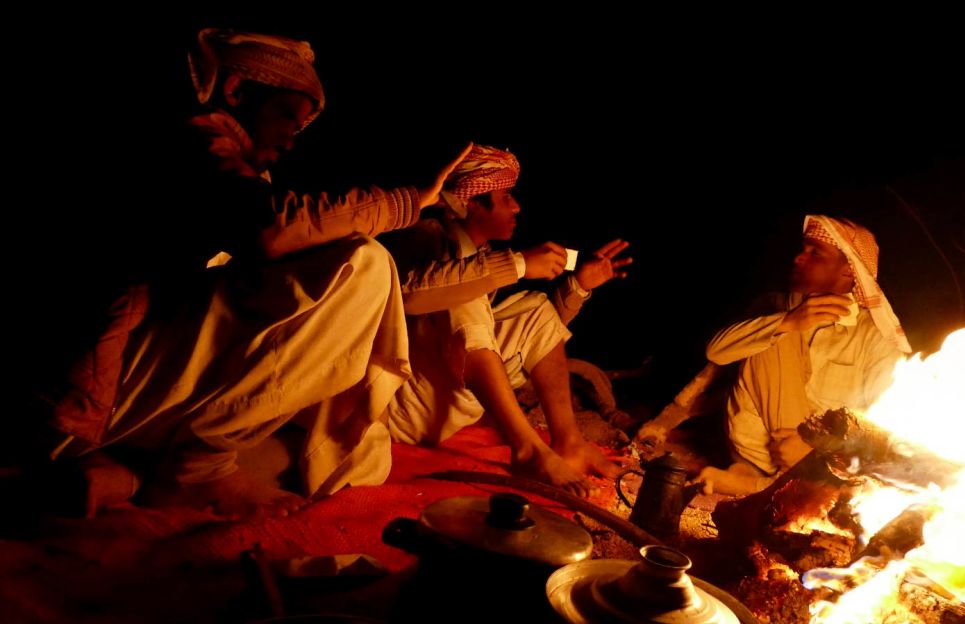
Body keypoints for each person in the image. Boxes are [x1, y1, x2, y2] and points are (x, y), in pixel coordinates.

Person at [43, 28, 471, 519]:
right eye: (289, 116)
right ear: (237, 92)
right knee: (363, 266)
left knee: (344, 456)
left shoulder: (243, 169)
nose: (293, 138)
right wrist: (408, 201)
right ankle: (191, 468)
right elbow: (267, 230)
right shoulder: (192, 141)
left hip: (138, 377)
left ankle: (137, 476)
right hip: (91, 388)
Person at [381, 145, 630, 496]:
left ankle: (569, 442)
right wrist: (518, 265)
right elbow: (408, 294)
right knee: (465, 297)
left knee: (536, 311)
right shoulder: (426, 237)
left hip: (446, 404)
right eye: (506, 196)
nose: (517, 207)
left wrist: (578, 287)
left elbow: (533, 343)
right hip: (405, 408)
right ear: (472, 202)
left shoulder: (479, 257)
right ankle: (528, 449)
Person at [693, 215, 912, 496]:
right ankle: (757, 479)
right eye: (802, 249)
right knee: (768, 339)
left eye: (815, 253)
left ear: (848, 271)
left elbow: (884, 428)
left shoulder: (875, 337)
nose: (798, 258)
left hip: (824, 464)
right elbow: (716, 351)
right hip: (760, 453)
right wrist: (788, 323)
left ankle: (766, 487)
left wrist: (816, 448)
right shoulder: (775, 307)